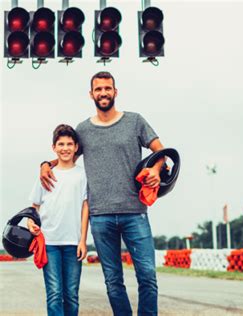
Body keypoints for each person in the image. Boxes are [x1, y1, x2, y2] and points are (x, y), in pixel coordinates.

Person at [40, 71, 164, 316]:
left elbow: (161, 150)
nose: (103, 93)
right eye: (98, 89)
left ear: (115, 92)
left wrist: (157, 170)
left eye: (108, 88)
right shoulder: (83, 130)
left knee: (147, 275)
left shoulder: (135, 121)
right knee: (113, 282)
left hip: (134, 212)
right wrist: (46, 164)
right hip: (100, 216)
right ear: (91, 94)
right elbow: (66, 157)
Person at [28, 124, 89, 316]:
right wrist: (30, 222)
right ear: (53, 147)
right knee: (54, 293)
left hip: (73, 242)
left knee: (71, 294)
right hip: (49, 243)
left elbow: (85, 207)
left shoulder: (82, 175)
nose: (65, 148)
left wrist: (82, 241)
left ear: (76, 147)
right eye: (61, 144)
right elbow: (34, 206)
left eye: (69, 144)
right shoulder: (46, 175)